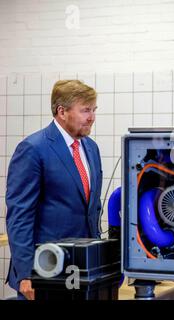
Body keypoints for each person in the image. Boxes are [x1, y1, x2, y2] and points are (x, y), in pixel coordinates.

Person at [5, 80, 103, 300]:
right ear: (62, 111)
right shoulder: (33, 149)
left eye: (94, 110)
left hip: (82, 270)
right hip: (45, 270)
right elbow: (20, 217)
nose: (92, 117)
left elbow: (92, 209)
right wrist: (25, 274)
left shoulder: (91, 148)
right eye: (85, 110)